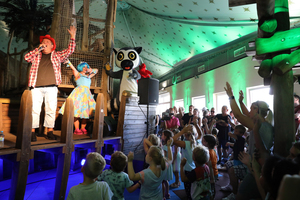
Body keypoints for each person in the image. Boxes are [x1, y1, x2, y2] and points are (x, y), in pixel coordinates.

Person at [24, 26, 76, 141]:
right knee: (34, 109)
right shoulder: (36, 55)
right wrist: (38, 49)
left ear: (52, 46)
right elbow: (26, 58)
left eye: (47, 42)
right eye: (43, 42)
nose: (44, 43)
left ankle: (50, 132)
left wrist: (72, 37)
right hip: (36, 87)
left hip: (51, 87)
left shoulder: (57, 55)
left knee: (51, 109)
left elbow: (69, 51)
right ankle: (32, 132)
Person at [224, 82, 274, 200]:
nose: (249, 111)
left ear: (256, 110)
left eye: (251, 108)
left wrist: (231, 97)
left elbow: (239, 115)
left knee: (241, 196)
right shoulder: (262, 123)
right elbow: (245, 114)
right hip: (254, 166)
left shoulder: (260, 125)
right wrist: (241, 102)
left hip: (257, 168)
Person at [59, 61, 98, 135]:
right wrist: (69, 62)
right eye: (84, 67)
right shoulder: (78, 74)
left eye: (86, 67)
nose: (85, 68)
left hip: (87, 95)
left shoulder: (89, 76)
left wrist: (91, 70)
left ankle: (83, 128)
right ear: (80, 68)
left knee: (86, 113)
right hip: (78, 94)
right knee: (76, 112)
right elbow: (73, 68)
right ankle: (77, 129)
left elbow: (96, 71)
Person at [222, 125, 248, 198]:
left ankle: (235, 192)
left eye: (236, 131)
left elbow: (232, 135)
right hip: (236, 158)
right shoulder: (238, 140)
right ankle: (231, 184)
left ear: (241, 134)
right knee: (228, 165)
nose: (234, 132)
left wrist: (231, 133)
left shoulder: (241, 139)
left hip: (239, 160)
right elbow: (236, 145)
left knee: (235, 171)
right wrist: (230, 144)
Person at [172, 125, 196, 200]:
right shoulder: (195, 141)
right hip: (194, 168)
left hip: (188, 169)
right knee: (193, 189)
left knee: (188, 190)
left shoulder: (186, 143)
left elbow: (171, 140)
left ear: (186, 134)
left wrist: (182, 131)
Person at [161, 130, 174, 199]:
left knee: (163, 181)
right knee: (166, 181)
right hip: (168, 164)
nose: (161, 136)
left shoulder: (166, 146)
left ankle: (163, 196)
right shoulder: (168, 145)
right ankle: (167, 193)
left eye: (163, 135)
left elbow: (164, 156)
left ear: (166, 137)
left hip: (166, 164)